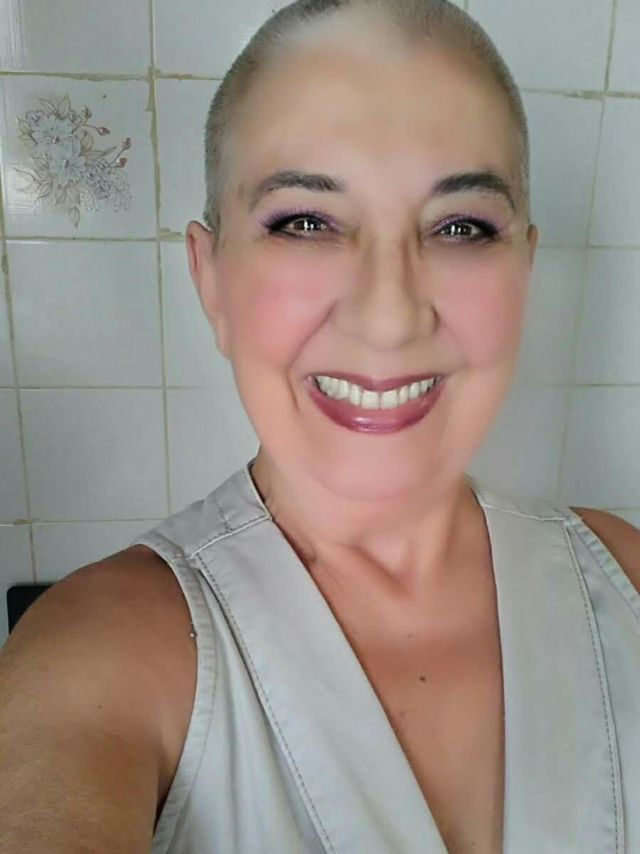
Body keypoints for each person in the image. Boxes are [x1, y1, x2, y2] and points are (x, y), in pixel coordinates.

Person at [1, 1, 639, 852]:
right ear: (212, 282)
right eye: (305, 221)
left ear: (524, 268)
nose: (389, 316)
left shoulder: (623, 576)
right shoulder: (100, 648)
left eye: (460, 227)